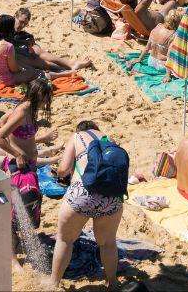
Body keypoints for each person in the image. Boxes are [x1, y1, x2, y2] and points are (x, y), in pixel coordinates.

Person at [48, 122, 125, 291]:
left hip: (82, 194)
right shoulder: (108, 139)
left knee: (65, 240)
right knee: (108, 243)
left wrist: (58, 174)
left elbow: (63, 169)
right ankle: (112, 283)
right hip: (112, 196)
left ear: (80, 129)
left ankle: (54, 284)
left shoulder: (77, 137)